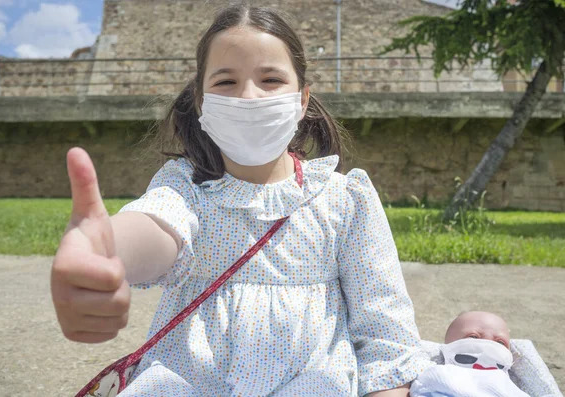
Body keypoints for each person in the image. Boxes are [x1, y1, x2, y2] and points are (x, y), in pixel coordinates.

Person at [51, 5, 431, 396]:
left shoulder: (344, 200)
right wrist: (103, 250)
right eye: (226, 82)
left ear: (302, 100)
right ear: (201, 103)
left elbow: (386, 332)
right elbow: (158, 224)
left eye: (270, 79)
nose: (249, 97)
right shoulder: (187, 188)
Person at [410, 311, 530, 397]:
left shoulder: (506, 383)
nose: (488, 343)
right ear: (448, 347)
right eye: (474, 337)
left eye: (499, 342)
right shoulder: (440, 372)